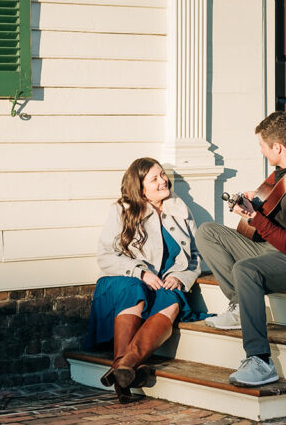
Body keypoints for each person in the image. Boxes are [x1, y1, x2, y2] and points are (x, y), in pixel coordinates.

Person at [196, 111, 286, 387]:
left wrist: (255, 218)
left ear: (277, 147)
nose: (261, 151)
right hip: (277, 251)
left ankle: (261, 360)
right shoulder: (285, 172)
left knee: (245, 269)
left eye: (262, 146)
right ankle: (241, 305)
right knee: (207, 233)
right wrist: (257, 202)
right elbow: (280, 216)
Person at [84, 157, 203, 403]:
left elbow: (195, 254)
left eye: (162, 175)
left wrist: (180, 276)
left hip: (164, 283)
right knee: (134, 290)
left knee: (172, 301)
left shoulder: (179, 209)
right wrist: (140, 272)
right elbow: (105, 256)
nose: (163, 181)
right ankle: (125, 370)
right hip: (126, 280)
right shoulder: (122, 210)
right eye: (155, 178)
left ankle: (124, 366)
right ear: (140, 188)